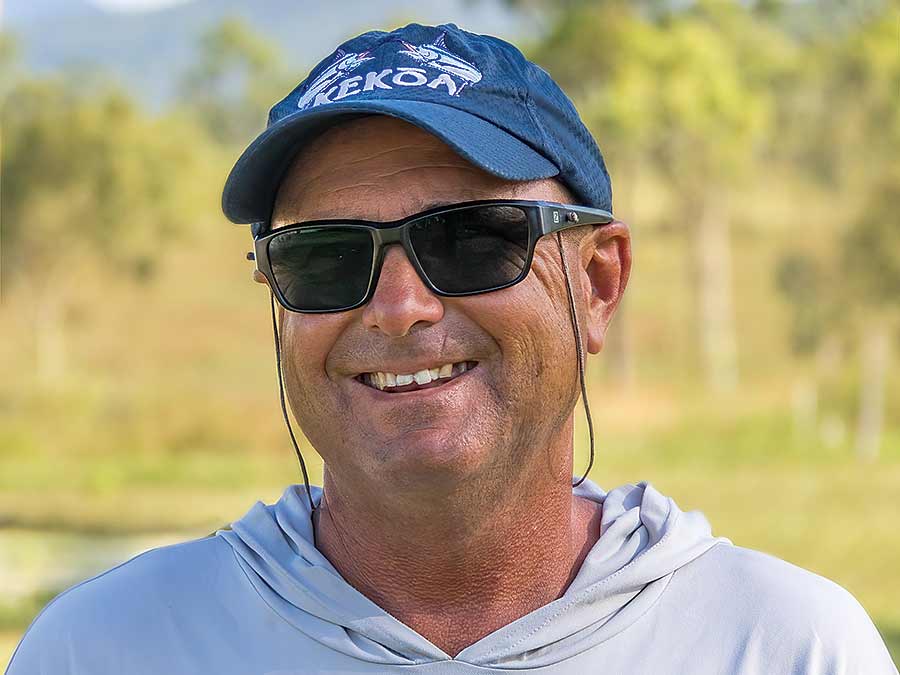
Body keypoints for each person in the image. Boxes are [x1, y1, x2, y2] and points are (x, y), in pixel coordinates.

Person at [6, 22, 896, 675]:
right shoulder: (112, 648)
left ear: (598, 283)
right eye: (324, 257)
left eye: (474, 239)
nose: (399, 308)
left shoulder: (782, 647)